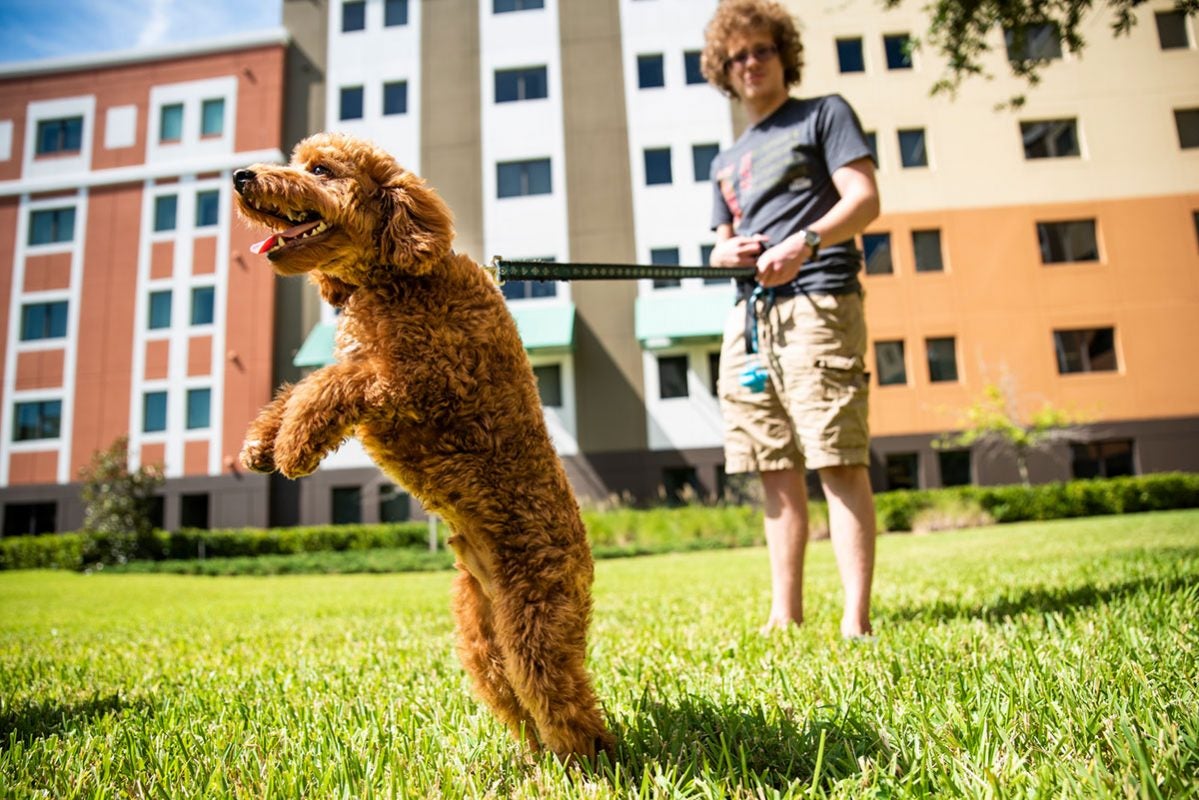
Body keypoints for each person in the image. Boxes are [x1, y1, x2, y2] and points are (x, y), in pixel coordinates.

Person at [702, 0, 881, 637]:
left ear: (783, 55)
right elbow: (722, 241)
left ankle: (855, 620)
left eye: (761, 50)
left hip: (818, 301)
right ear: (723, 71)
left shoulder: (824, 114)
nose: (750, 63)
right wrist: (723, 252)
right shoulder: (725, 161)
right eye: (736, 56)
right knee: (771, 465)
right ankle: (786, 616)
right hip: (749, 319)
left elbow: (864, 200)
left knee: (836, 455)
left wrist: (803, 241)